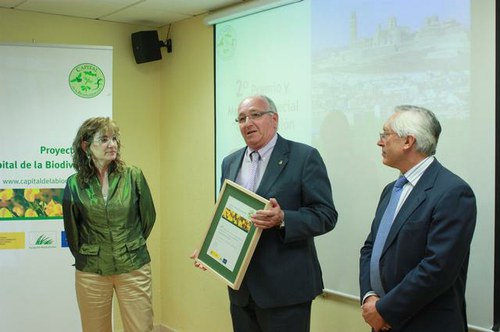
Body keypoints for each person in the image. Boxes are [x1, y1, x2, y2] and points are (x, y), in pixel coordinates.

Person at [193, 95, 338, 332]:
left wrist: (284, 219)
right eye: (241, 118)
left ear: (274, 119)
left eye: (255, 115)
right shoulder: (230, 162)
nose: (247, 123)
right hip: (241, 289)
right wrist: (210, 248)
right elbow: (227, 215)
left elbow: (326, 215)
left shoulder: (304, 157)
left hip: (286, 291)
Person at [359, 105, 477, 332]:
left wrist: (385, 309)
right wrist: (369, 297)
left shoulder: (453, 192)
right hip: (381, 321)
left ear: (408, 141)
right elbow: (370, 248)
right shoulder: (391, 189)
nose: (380, 142)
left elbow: (437, 269)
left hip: (425, 323)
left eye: (385, 134)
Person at [63, 117, 156, 332]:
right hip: (91, 271)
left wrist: (128, 245)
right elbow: (73, 231)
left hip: (133, 266)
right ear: (86, 146)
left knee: (141, 328)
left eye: (114, 139)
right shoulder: (74, 184)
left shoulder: (133, 176)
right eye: (104, 139)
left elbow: (148, 218)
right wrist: (91, 254)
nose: (112, 144)